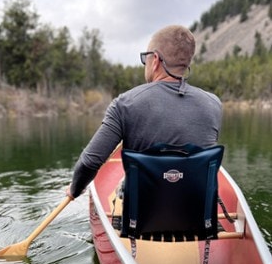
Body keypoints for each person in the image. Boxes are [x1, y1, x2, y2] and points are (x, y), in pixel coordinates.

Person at [67, 25, 222, 199]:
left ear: (155, 59)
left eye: (145, 58)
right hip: (197, 219)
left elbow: (89, 163)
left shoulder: (124, 104)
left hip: (142, 223)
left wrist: (75, 189)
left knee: (123, 188)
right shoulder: (213, 104)